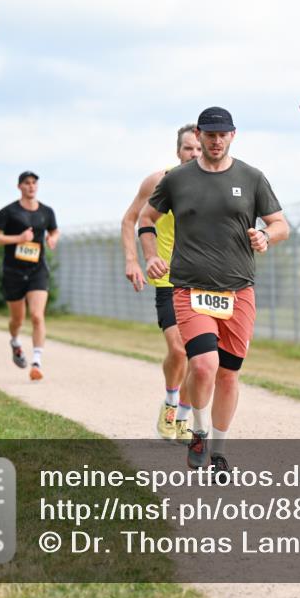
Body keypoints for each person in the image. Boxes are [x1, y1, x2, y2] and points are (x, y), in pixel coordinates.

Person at [139, 106, 288, 475]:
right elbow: (146, 219)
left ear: (233, 135)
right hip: (190, 288)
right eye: (210, 135)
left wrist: (265, 235)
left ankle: (219, 450)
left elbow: (281, 224)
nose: (216, 140)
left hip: (238, 291)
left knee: (229, 374)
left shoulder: (252, 178)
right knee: (204, 365)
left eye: (223, 135)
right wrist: (151, 256)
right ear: (201, 136)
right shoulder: (177, 180)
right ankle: (199, 432)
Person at [121, 124, 202, 441]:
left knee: (200, 356)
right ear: (177, 151)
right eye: (188, 148)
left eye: (198, 148)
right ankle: (170, 402)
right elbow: (131, 218)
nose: (193, 154)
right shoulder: (159, 181)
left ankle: (181, 417)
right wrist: (133, 260)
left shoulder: (217, 183)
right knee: (178, 349)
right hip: (168, 278)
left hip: (205, 280)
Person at [0, 172, 59, 381]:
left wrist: (52, 238)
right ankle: (15, 341)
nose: (31, 186)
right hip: (13, 271)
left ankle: (36, 362)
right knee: (17, 319)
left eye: (34, 183)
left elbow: (55, 231)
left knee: (37, 315)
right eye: (27, 183)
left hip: (38, 270)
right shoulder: (9, 212)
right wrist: (18, 238)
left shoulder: (47, 212)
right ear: (19, 186)